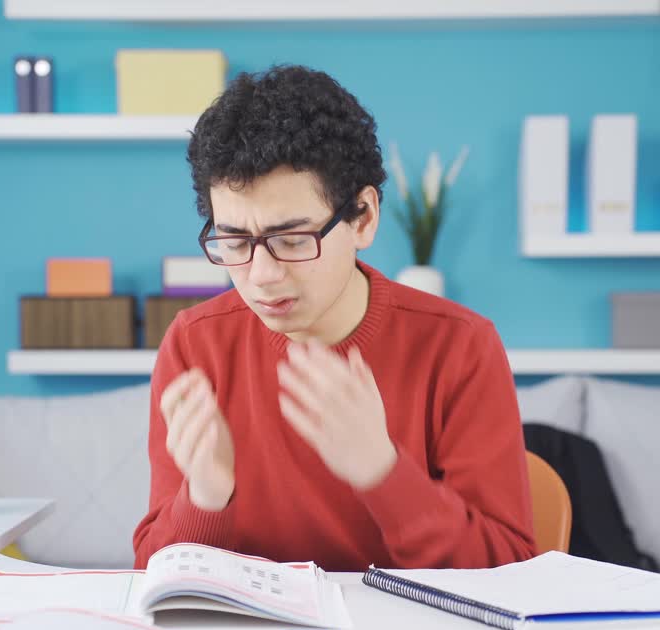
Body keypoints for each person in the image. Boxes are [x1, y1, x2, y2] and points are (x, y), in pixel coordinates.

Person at [132, 65, 535, 571]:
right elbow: (153, 575)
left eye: (292, 240)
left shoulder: (460, 346)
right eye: (234, 242)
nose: (262, 276)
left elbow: (510, 571)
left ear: (363, 217)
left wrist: (384, 474)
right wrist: (206, 496)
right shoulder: (196, 344)